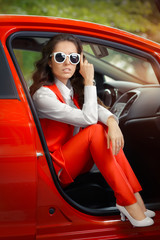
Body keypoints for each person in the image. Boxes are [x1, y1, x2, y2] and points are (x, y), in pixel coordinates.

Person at [30, 33, 155, 227]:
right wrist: (89, 80)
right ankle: (126, 201)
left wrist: (113, 123)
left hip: (69, 161)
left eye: (73, 58)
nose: (67, 63)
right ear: (49, 61)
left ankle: (135, 199)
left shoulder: (71, 89)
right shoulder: (43, 95)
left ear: (79, 62)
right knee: (96, 131)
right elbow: (89, 118)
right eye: (60, 57)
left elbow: (96, 109)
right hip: (52, 169)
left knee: (104, 131)